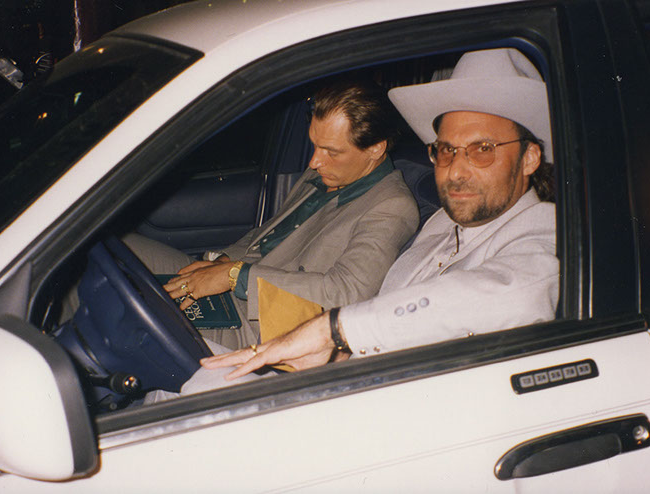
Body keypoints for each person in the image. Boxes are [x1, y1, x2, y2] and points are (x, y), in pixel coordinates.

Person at [200, 47, 559, 380]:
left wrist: (335, 330)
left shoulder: (545, 233)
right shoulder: (443, 223)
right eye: (446, 150)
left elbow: (511, 293)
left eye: (482, 149)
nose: (456, 170)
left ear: (529, 158)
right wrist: (336, 354)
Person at [124, 80, 419, 350]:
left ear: (375, 148)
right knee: (116, 249)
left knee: (129, 313)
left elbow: (346, 293)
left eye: (331, 151)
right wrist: (222, 262)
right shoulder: (326, 173)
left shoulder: (391, 206)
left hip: (260, 327)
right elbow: (266, 235)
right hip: (233, 294)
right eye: (315, 145)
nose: (314, 161)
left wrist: (235, 276)